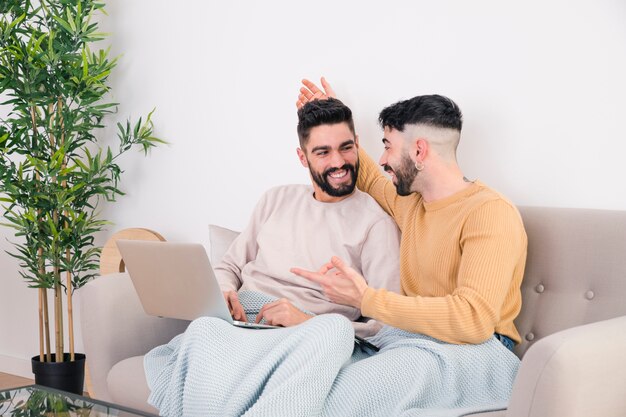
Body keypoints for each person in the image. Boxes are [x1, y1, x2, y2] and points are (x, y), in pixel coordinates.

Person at [293, 78, 527, 348]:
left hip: (481, 349)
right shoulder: (412, 203)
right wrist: (334, 116)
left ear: (418, 151)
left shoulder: (490, 212)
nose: (382, 159)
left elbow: (473, 320)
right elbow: (368, 178)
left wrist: (365, 299)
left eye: (388, 146)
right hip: (415, 340)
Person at [215, 97, 400, 337]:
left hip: (305, 335)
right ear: (303, 157)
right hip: (242, 319)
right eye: (323, 152)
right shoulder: (276, 199)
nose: (339, 162)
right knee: (198, 330)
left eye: (346, 147)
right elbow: (229, 265)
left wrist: (305, 323)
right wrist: (224, 290)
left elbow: (386, 323)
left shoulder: (376, 224)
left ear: (356, 145)